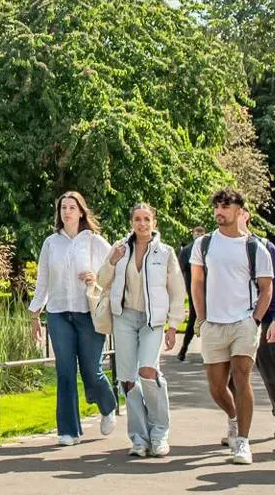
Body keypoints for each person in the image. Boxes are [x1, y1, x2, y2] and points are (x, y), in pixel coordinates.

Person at [189, 189, 275, 465]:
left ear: (240, 211)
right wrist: (201, 317)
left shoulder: (255, 247)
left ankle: (243, 442)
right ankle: (234, 417)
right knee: (216, 386)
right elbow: (197, 282)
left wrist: (255, 320)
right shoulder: (203, 244)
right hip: (213, 323)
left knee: (241, 377)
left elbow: (266, 288)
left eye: (225, 206)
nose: (219, 211)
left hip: (243, 322)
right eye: (216, 206)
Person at [95, 204, 187, 458]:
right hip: (124, 317)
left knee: (147, 370)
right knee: (127, 378)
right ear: (131, 222)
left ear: (154, 223)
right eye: (137, 219)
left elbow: (177, 291)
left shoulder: (165, 253)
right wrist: (112, 261)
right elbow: (101, 281)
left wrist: (173, 325)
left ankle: (159, 433)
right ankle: (139, 437)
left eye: (147, 219)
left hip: (152, 321)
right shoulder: (120, 249)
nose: (142, 224)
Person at [29, 191, 118, 446]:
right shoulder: (50, 243)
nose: (66, 211)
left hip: (88, 314)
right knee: (65, 371)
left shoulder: (95, 242)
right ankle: (68, 430)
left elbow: (113, 273)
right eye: (63, 208)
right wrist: (35, 313)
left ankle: (107, 405)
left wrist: (95, 277)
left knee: (92, 370)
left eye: (72, 207)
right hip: (58, 314)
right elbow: (43, 281)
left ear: (81, 211)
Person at [248, 219, 275, 441]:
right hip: (234, 319)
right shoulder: (217, 244)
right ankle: (236, 423)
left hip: (264, 318)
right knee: (232, 374)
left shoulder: (264, 246)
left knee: (270, 369)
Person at [176, 225, 208, 363]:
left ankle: (204, 351)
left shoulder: (209, 249)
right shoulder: (188, 250)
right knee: (195, 317)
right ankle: (183, 348)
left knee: (208, 319)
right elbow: (180, 270)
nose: (198, 235)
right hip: (194, 289)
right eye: (196, 232)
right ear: (193, 234)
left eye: (201, 233)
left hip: (209, 289)